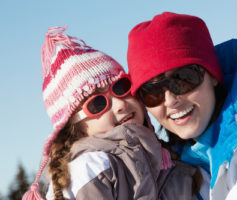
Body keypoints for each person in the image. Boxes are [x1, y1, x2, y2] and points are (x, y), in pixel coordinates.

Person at [127, 11, 237, 200]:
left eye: (184, 79)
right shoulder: (180, 161)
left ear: (213, 76)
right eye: (153, 93)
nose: (170, 101)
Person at [22, 26, 199, 200]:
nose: (120, 104)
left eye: (121, 87)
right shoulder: (91, 169)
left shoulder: (169, 160)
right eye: (97, 104)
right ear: (75, 127)